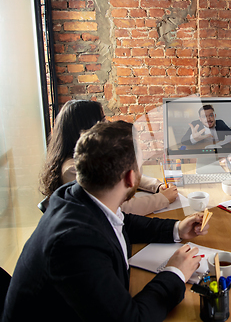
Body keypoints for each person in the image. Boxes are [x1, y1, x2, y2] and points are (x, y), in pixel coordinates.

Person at [2, 121, 208, 322]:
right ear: (130, 178)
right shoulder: (74, 242)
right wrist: (175, 273)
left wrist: (176, 229)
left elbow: (121, 221)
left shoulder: (75, 195)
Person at [39, 100, 176, 215]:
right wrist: (162, 199)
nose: (107, 123)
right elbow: (117, 207)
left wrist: (157, 186)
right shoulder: (72, 170)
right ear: (87, 127)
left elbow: (121, 173)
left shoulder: (91, 155)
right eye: (102, 119)